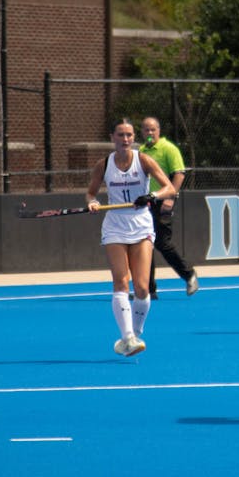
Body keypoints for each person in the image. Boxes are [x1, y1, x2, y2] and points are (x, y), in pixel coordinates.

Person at [86, 118, 177, 357]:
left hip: (141, 225)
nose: (125, 140)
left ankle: (134, 332)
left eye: (129, 135)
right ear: (112, 137)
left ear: (133, 138)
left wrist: (152, 196)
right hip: (115, 226)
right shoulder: (104, 165)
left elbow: (170, 188)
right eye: (120, 135)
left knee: (142, 287)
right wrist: (93, 203)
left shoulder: (144, 160)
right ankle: (127, 337)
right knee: (121, 281)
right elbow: (90, 193)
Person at [139, 117, 198, 299]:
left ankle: (189, 274)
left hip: (163, 201)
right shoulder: (141, 151)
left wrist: (170, 197)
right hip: (145, 204)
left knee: (162, 243)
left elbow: (179, 174)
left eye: (153, 130)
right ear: (142, 132)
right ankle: (148, 289)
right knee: (144, 244)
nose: (150, 133)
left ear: (159, 130)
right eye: (146, 130)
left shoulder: (169, 149)